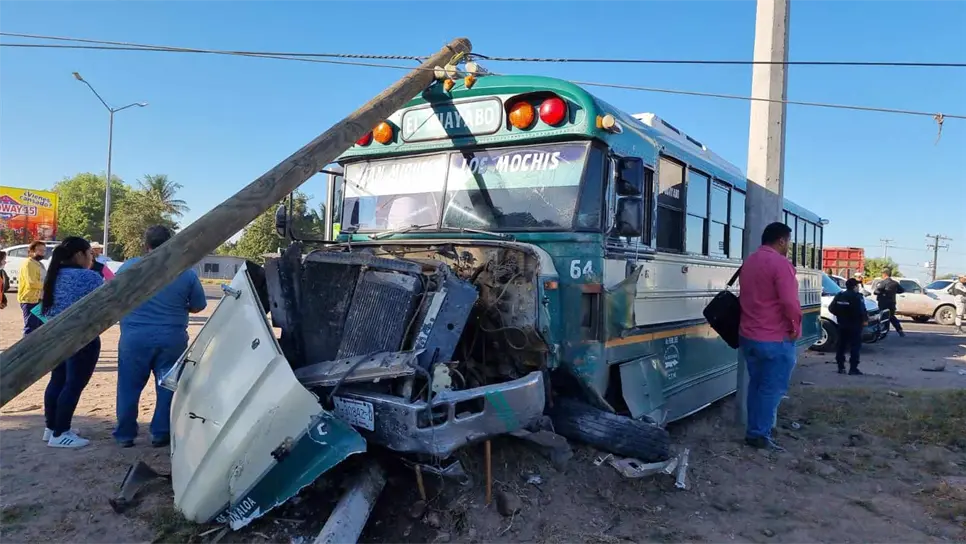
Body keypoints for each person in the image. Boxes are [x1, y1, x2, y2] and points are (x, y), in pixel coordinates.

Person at [113, 225, 207, 448]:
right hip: (171, 338)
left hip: (134, 338)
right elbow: (199, 305)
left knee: (128, 386)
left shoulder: (128, 267)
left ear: (146, 245)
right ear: (172, 243)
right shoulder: (185, 272)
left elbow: (114, 298)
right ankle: (160, 433)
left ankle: (125, 435)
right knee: (167, 386)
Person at [738, 222, 802, 452]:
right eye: (788, 242)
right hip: (774, 338)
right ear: (782, 241)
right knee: (771, 389)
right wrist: (795, 325)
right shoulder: (781, 264)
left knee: (756, 386)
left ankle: (753, 431)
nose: (789, 247)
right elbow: (789, 301)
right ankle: (759, 435)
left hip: (749, 335)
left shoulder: (750, 261)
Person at [40, 237, 104, 448]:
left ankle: (51, 428)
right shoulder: (89, 278)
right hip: (82, 339)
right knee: (73, 384)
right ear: (79, 255)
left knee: (57, 380)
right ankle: (61, 433)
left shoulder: (53, 276)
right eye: (90, 254)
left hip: (55, 337)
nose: (91, 259)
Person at [830, 278, 868, 375]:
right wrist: (864, 320)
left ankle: (840, 367)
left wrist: (840, 315)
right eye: (857, 286)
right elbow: (862, 310)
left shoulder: (840, 295)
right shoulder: (857, 297)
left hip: (842, 324)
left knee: (841, 346)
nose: (858, 288)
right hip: (854, 325)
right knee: (855, 347)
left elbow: (831, 308)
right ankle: (853, 368)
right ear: (855, 287)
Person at [17, 241, 47, 335]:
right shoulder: (28, 264)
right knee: (30, 329)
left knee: (40, 327)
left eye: (44, 250)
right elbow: (31, 283)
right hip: (30, 300)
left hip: (39, 299)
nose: (42, 253)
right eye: (40, 250)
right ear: (31, 251)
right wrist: (48, 286)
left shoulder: (39, 264)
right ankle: (26, 349)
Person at [873, 269, 905, 337]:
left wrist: (883, 293)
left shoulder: (883, 283)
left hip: (883, 303)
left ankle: (884, 332)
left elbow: (876, 291)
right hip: (892, 302)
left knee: (884, 317)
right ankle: (899, 330)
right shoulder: (895, 283)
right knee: (891, 316)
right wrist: (893, 292)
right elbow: (902, 290)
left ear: (884, 274)